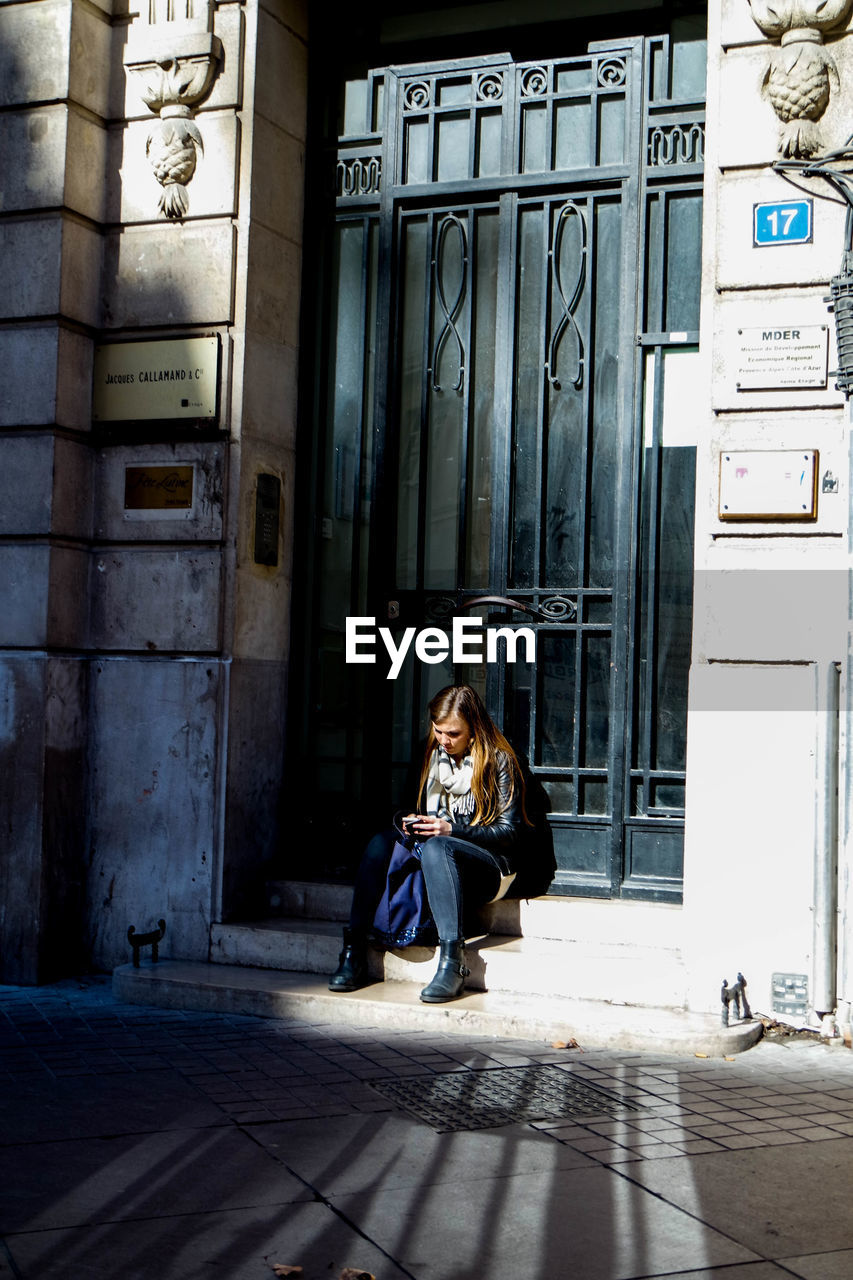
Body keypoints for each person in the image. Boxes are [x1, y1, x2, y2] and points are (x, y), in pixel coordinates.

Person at [328, 684, 529, 1004]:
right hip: (436, 862)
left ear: (474, 729)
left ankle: (453, 962)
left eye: (453, 733)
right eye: (439, 731)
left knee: (438, 846)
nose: (444, 740)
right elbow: (413, 808)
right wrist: (413, 824)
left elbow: (509, 834)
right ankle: (353, 952)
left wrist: (452, 830)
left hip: (488, 869)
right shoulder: (432, 754)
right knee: (382, 842)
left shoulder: (499, 760)